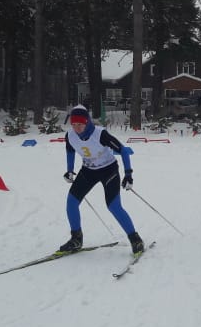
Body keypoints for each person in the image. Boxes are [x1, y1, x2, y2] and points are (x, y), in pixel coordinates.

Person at [58, 105, 145, 255]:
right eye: (74, 124)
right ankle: (76, 239)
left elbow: (123, 151)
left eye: (80, 124)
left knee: (113, 206)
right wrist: (70, 170)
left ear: (87, 122)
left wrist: (128, 174)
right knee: (71, 202)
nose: (77, 128)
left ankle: (135, 239)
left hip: (108, 170)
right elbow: (70, 151)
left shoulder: (100, 134)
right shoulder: (70, 136)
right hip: (88, 170)